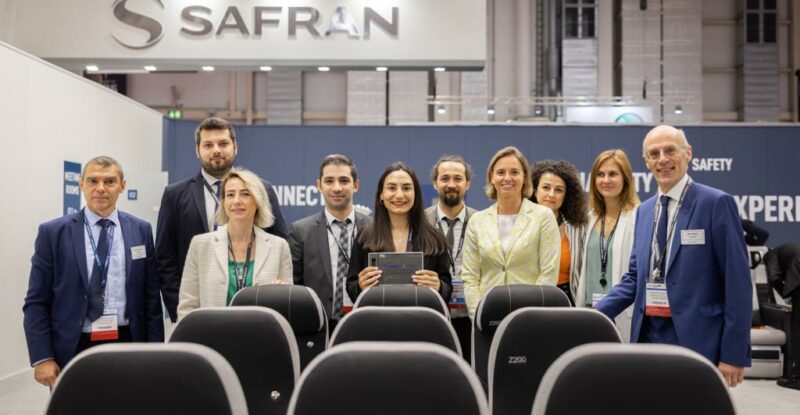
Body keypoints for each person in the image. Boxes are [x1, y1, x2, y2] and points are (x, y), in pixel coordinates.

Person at [595, 125, 752, 387]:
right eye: (654, 154)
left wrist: (733, 353)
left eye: (670, 150)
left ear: (688, 153)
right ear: (646, 162)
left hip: (698, 340)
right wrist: (594, 314)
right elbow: (635, 277)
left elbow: (737, 283)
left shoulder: (715, 203)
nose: (663, 159)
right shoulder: (644, 212)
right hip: (648, 336)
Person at [23, 156, 164, 388]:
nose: (100, 188)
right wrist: (42, 357)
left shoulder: (140, 230)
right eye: (93, 181)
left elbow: (151, 299)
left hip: (129, 341)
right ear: (81, 185)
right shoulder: (53, 233)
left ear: (122, 186)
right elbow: (36, 301)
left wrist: (157, 352)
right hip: (72, 345)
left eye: (109, 181)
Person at [157, 117, 289, 322]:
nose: (216, 150)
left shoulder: (263, 190)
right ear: (197, 150)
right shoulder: (175, 194)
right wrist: (184, 314)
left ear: (235, 147)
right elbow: (166, 258)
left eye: (223, 143)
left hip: (259, 317)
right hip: (201, 310)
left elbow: (278, 241)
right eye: (208, 145)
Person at [177, 168, 292, 320]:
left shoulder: (279, 247)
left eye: (245, 194)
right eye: (230, 195)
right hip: (211, 338)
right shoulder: (200, 245)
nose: (237, 200)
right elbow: (187, 307)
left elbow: (288, 306)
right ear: (224, 202)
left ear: (258, 200)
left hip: (262, 337)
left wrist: (279, 292)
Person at [461, 147, 561, 319]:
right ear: (492, 177)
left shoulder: (543, 217)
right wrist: (478, 314)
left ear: (524, 177)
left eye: (514, 172)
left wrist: (530, 315)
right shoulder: (477, 221)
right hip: (487, 318)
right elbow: (470, 277)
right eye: (500, 172)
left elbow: (549, 274)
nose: (507, 178)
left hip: (531, 318)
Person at [346, 162, 452, 302]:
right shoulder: (364, 238)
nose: (399, 195)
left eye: (407, 188)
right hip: (378, 320)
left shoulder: (435, 238)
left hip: (421, 319)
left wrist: (439, 286)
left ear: (416, 194)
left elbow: (447, 289)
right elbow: (351, 287)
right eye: (391, 188)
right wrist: (360, 286)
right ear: (381, 195)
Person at [288, 155, 370, 330]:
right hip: (317, 328)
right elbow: (294, 288)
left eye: (344, 180)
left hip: (365, 323)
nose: (337, 188)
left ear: (356, 185)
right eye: (329, 181)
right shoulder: (301, 231)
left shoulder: (374, 229)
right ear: (319, 186)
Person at [574, 149, 640, 341]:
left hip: (621, 312)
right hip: (589, 312)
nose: (606, 180)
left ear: (626, 178)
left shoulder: (638, 216)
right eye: (600, 175)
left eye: (613, 174)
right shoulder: (589, 218)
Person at [425, 155, 477, 359]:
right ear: (435, 183)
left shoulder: (481, 221)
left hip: (471, 318)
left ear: (468, 183)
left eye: (458, 178)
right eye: (445, 178)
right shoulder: (421, 222)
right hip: (434, 317)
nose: (451, 184)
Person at [530, 160, 588, 305]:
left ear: (565, 196)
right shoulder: (519, 225)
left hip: (567, 301)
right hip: (529, 299)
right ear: (535, 191)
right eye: (546, 187)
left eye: (558, 190)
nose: (551, 194)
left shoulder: (578, 229)